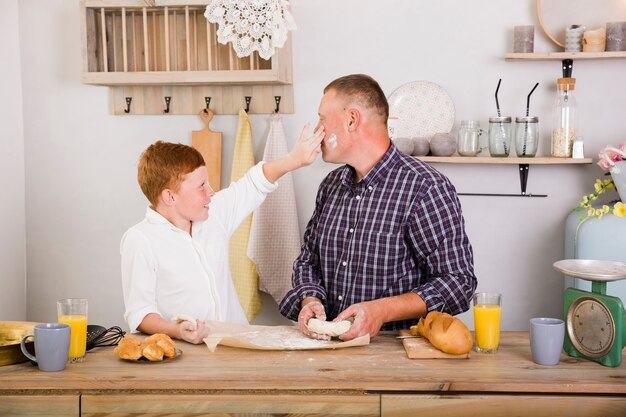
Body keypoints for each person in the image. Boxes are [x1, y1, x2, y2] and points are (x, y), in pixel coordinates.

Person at [279, 74, 477, 341]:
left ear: (352, 120)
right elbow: (308, 262)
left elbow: (458, 283)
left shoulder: (425, 188)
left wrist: (381, 310)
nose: (318, 130)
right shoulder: (330, 186)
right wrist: (310, 299)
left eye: (323, 119)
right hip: (326, 356)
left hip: (395, 358)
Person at [121, 126, 324, 344]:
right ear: (170, 197)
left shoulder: (213, 213)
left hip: (237, 343)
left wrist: (294, 160)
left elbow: (253, 183)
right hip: (187, 355)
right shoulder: (140, 240)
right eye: (201, 186)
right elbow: (140, 314)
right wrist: (178, 330)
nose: (211, 192)